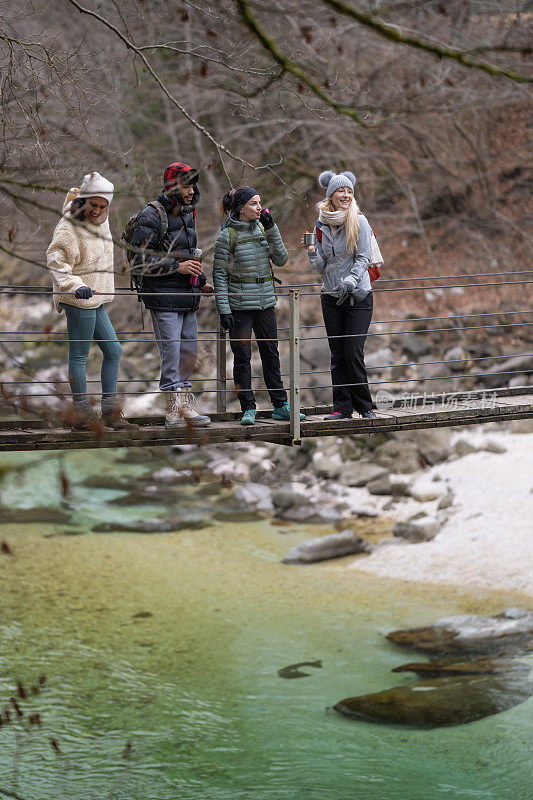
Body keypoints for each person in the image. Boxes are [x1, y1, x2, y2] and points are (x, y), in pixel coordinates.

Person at [46, 172, 137, 431]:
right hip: (78, 296)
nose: (96, 211)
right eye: (92, 205)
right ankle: (82, 416)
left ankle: (110, 412)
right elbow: (56, 261)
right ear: (83, 200)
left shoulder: (103, 221)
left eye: (102, 206)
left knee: (114, 351)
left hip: (95, 298)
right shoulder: (69, 226)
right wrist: (76, 285)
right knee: (79, 357)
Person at [213, 187, 306, 426]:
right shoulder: (227, 237)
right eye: (254, 204)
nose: (259, 208)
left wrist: (273, 228)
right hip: (239, 305)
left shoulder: (264, 229)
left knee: (271, 354)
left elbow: (282, 259)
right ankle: (248, 408)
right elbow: (220, 275)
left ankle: (281, 405)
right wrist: (224, 309)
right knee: (242, 357)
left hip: (265, 302)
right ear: (241, 208)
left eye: (259, 203)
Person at [130, 162, 213, 428]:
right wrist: (177, 267)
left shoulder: (189, 214)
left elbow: (187, 254)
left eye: (192, 185)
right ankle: (172, 411)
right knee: (171, 350)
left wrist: (199, 279)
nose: (191, 191)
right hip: (162, 294)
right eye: (186, 185)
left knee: (189, 350)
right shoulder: (150, 216)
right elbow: (139, 261)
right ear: (172, 186)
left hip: (187, 294)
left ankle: (187, 407)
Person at [302, 170, 376, 420]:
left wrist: (351, 280)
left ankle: (365, 407)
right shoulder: (321, 225)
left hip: (358, 296)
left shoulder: (359, 220)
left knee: (353, 351)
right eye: (340, 191)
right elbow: (322, 267)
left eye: (349, 191)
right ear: (330, 195)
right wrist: (312, 252)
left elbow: (364, 257)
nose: (345, 195)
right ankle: (342, 408)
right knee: (337, 354)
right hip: (331, 296)